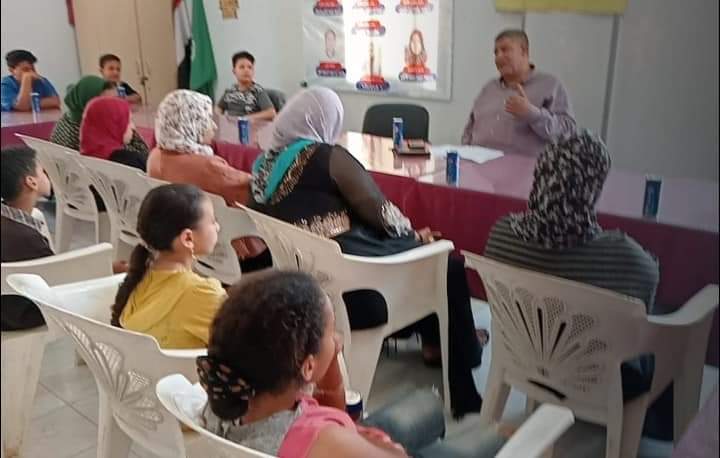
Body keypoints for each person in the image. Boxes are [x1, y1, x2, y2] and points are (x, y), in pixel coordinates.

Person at [251, 87, 484, 418]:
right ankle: (465, 385)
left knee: (420, 254)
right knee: (447, 263)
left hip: (304, 282)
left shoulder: (264, 164)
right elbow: (381, 211)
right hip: (354, 291)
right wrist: (413, 235)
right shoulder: (327, 156)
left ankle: (435, 343)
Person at [199, 270, 508, 457]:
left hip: (332, 437)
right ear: (307, 366)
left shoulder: (228, 394)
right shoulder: (324, 441)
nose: (338, 340)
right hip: (341, 446)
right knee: (500, 434)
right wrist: (389, 449)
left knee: (427, 402)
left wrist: (327, 360)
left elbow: (331, 415)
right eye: (331, 332)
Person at [484, 130, 660, 401]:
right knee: (661, 341)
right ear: (593, 188)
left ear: (541, 172)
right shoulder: (624, 257)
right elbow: (650, 284)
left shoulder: (502, 234)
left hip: (523, 362)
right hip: (598, 379)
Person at [1, 146, 125, 330]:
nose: (47, 175)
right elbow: (59, 278)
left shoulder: (13, 225)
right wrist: (107, 268)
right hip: (24, 315)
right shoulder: (25, 238)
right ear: (31, 182)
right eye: (42, 171)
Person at [110, 184, 225, 348]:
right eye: (213, 221)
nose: (217, 227)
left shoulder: (140, 276)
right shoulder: (203, 294)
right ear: (188, 238)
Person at [462, 29, 576, 157]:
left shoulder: (551, 85)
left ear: (524, 51)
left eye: (505, 50)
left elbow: (567, 132)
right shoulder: (489, 88)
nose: (498, 57)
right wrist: (465, 153)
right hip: (477, 164)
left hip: (525, 167)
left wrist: (532, 114)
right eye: (496, 52)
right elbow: (470, 126)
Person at [49, 75, 149, 155]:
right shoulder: (91, 135)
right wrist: (126, 126)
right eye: (107, 104)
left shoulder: (66, 119)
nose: (114, 107)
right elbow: (142, 155)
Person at [80, 96, 147, 171]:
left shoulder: (84, 159)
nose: (133, 127)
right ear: (113, 125)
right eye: (129, 121)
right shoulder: (133, 161)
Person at [217, 51, 276, 121]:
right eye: (242, 67)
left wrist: (245, 118)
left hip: (249, 125)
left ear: (253, 71)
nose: (246, 70)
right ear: (234, 71)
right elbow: (218, 110)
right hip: (230, 125)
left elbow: (271, 113)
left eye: (250, 67)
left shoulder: (258, 91)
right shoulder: (230, 91)